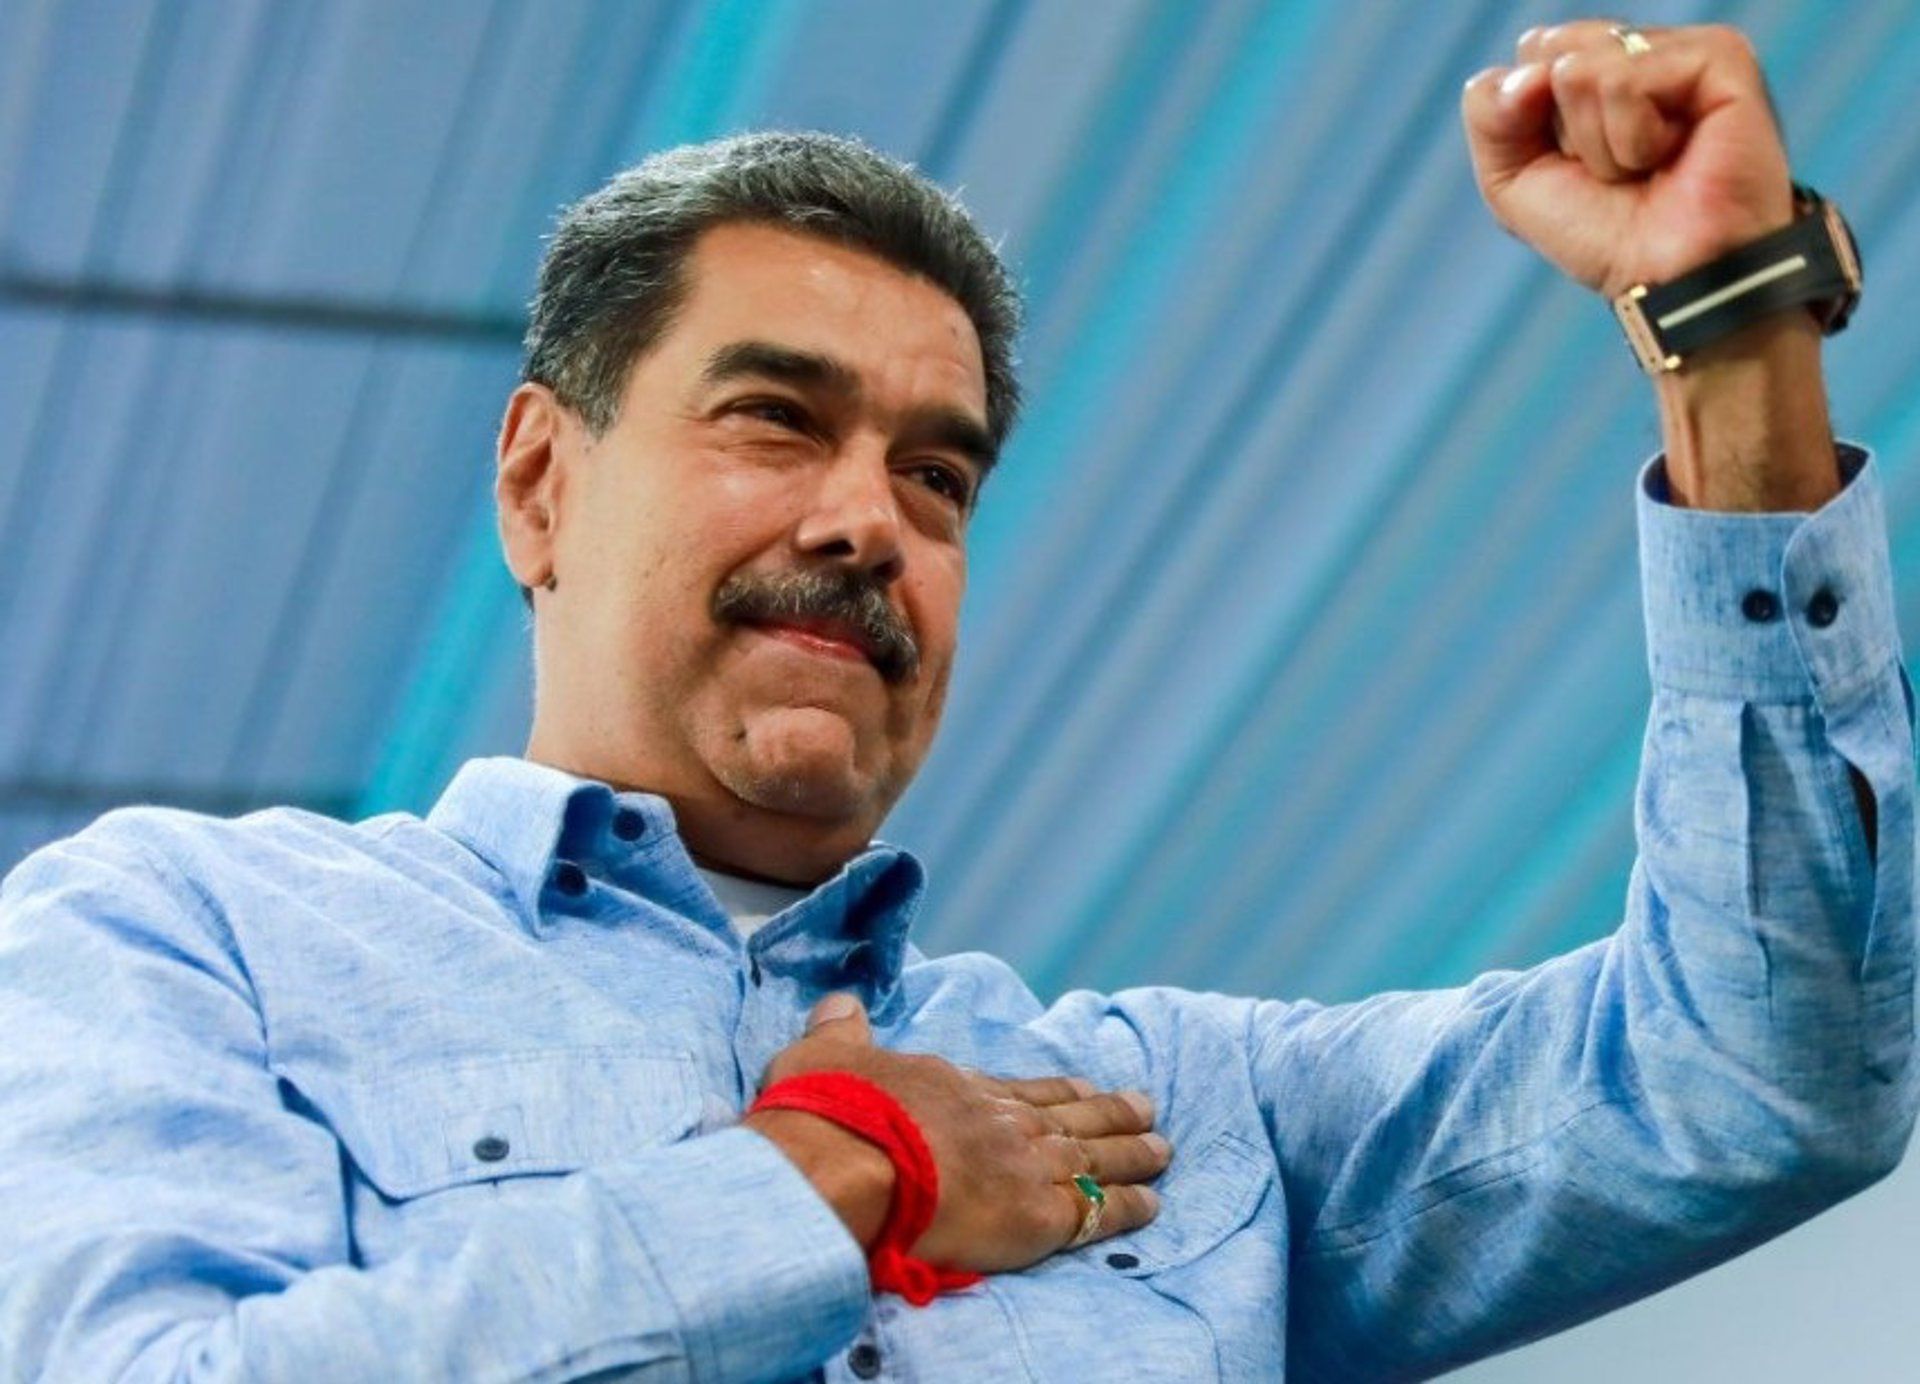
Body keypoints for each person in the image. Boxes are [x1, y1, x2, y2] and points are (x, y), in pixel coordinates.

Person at [0, 18, 1911, 1383]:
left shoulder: (1186, 1120)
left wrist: (1735, 340)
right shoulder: (187, 934)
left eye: (938, 475)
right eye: (775, 419)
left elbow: (1758, 1079)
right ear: (539, 485)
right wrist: (839, 1178)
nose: (868, 523)